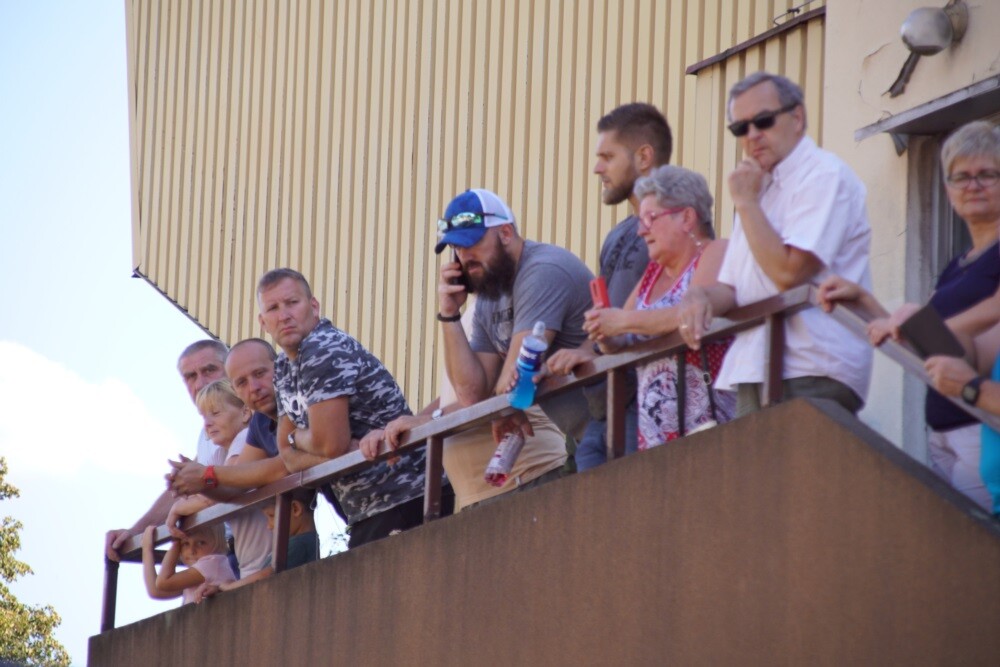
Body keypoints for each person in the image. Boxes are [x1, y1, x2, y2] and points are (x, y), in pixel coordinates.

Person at [818, 120, 1000, 511]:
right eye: (961, 176)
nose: (973, 185)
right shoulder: (958, 266)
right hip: (942, 428)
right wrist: (865, 302)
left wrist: (910, 319)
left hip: (982, 425)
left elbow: (988, 313)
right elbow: (923, 339)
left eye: (987, 174)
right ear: (948, 190)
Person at [677, 71, 873, 416]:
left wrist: (746, 203)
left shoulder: (824, 175)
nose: (752, 135)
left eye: (763, 121)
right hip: (756, 364)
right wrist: (700, 296)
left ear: (797, 117)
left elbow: (789, 274)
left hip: (812, 364)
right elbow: (735, 289)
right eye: (740, 128)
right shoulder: (755, 188)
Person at [259, 268, 430, 549]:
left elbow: (329, 444)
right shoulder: (281, 366)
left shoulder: (322, 347)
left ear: (313, 306)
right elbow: (289, 459)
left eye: (292, 303)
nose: (284, 315)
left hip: (405, 494)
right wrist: (335, 449)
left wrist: (297, 438)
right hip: (367, 508)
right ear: (263, 321)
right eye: (273, 308)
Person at [432, 188, 593, 484]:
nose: (465, 256)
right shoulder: (489, 298)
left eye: (473, 242)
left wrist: (502, 407)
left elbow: (518, 374)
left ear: (506, 233)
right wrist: (449, 314)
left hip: (627, 417)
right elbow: (471, 394)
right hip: (588, 435)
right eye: (456, 247)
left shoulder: (542, 271)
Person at [546, 103, 673, 470]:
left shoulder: (679, 227)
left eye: (607, 156)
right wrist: (581, 353)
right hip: (601, 412)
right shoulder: (616, 235)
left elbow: (684, 305)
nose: (597, 168)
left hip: (648, 406)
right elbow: (608, 318)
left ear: (644, 156)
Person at [360, 298, 570, 511]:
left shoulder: (509, 298)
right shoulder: (479, 307)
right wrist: (396, 429)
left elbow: (502, 390)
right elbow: (453, 398)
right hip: (480, 493)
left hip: (526, 477)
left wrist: (426, 422)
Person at [580, 165, 735, 447]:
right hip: (655, 441)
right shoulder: (651, 275)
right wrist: (603, 331)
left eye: (650, 218)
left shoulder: (715, 251)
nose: (641, 231)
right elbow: (619, 341)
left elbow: (689, 315)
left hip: (711, 431)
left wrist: (623, 322)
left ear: (687, 217)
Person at [105, 340, 229, 561]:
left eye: (209, 370)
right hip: (217, 560)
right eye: (191, 376)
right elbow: (185, 489)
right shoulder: (206, 434)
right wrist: (134, 533)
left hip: (253, 555)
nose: (200, 383)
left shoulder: (250, 419)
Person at [165, 380, 273, 578]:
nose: (207, 423)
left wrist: (178, 507)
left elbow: (220, 492)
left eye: (216, 413)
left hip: (266, 561)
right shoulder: (221, 453)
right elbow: (207, 488)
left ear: (245, 412)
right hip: (251, 562)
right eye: (204, 416)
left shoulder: (244, 437)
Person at [200, 487, 320, 597]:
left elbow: (265, 575)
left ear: (295, 509)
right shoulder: (303, 542)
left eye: (271, 516)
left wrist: (227, 587)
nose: (269, 526)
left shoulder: (299, 544)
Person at [140, 523, 235, 605]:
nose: (191, 551)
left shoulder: (212, 563)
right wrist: (147, 550)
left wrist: (175, 544)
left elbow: (163, 583)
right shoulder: (198, 574)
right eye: (185, 544)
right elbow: (156, 591)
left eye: (201, 543)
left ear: (218, 542)